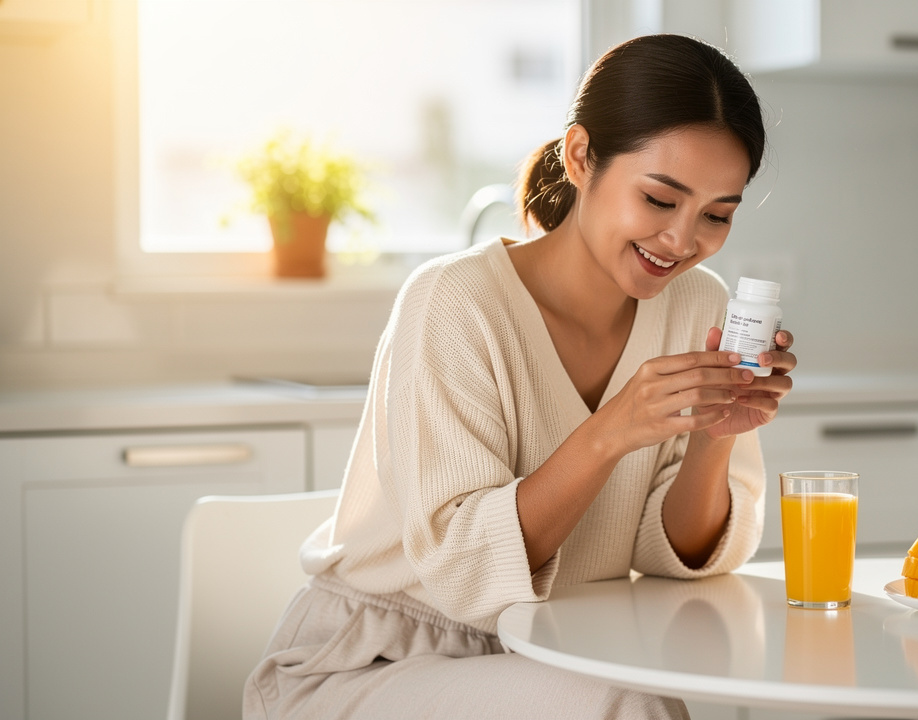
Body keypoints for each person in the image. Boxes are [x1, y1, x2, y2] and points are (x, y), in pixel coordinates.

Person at [244, 33, 796, 720]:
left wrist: (716, 432)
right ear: (581, 156)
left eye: (717, 215)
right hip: (375, 667)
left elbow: (671, 556)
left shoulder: (700, 305)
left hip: (554, 656)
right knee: (628, 705)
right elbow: (466, 574)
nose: (683, 240)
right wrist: (609, 433)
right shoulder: (453, 302)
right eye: (659, 200)